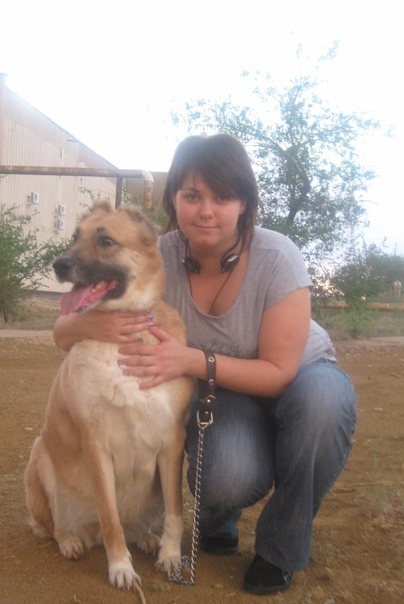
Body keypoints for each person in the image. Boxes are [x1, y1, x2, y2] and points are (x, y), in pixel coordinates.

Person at [53, 134, 357, 596]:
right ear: (174, 200)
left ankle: (279, 549)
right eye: (193, 196)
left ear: (244, 204)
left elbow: (279, 371)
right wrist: (86, 324)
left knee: (322, 405)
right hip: (226, 388)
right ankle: (218, 519)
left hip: (299, 376)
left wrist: (192, 359)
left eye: (223, 197)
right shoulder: (155, 254)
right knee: (224, 474)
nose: (206, 211)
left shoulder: (277, 257)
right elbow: (63, 334)